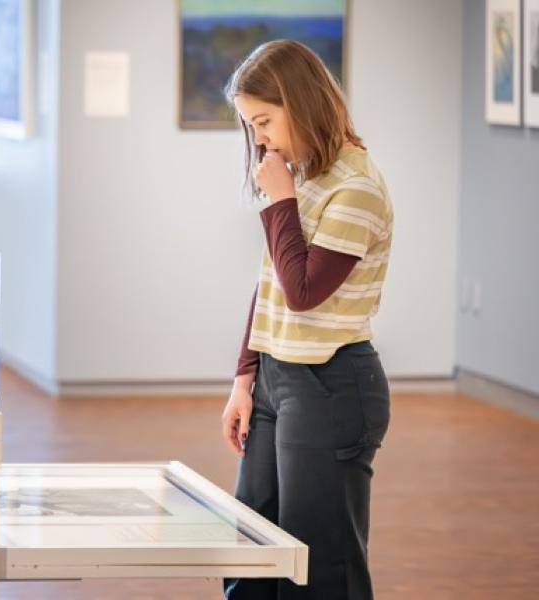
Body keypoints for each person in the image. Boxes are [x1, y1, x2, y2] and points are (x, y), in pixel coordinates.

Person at [220, 40, 393, 600]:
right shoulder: (306, 178)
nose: (261, 139)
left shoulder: (355, 187)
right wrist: (245, 379)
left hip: (330, 385)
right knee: (251, 548)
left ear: (301, 102)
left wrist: (278, 204)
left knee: (319, 570)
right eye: (252, 125)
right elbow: (269, 285)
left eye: (265, 120)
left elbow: (303, 293)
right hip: (276, 379)